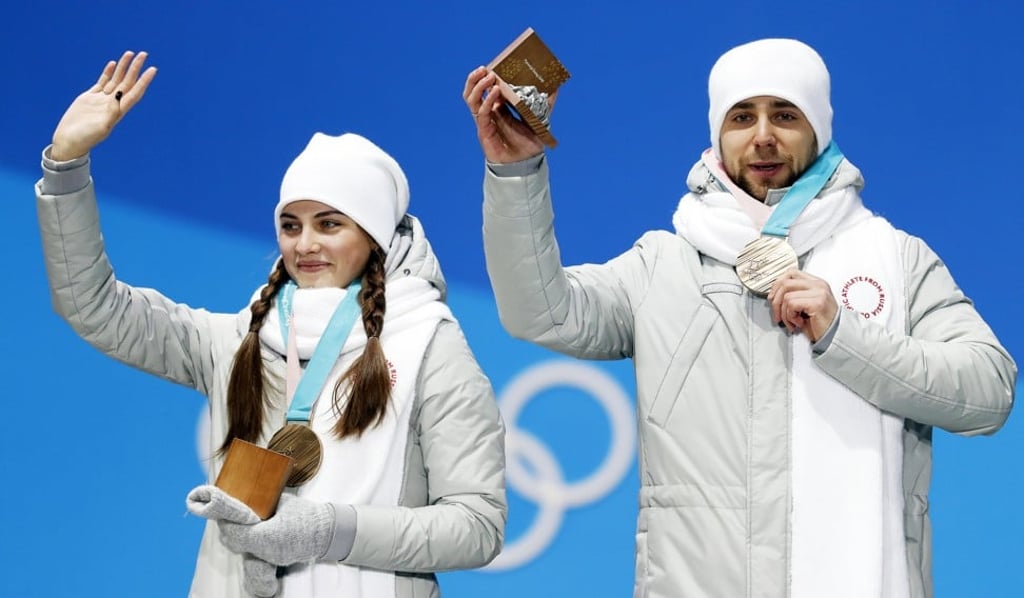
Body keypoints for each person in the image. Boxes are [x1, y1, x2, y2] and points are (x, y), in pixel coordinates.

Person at [463, 38, 1016, 598]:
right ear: (717, 133)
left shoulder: (895, 259)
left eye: (785, 114)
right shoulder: (662, 265)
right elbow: (540, 313)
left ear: (818, 129)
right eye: (742, 116)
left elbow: (988, 391)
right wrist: (517, 174)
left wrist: (846, 336)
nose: (763, 135)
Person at [37, 50, 506, 598]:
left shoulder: (428, 342)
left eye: (329, 224)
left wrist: (330, 531)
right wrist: (66, 166)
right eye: (291, 224)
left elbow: (476, 526)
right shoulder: (239, 340)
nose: (305, 244)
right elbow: (94, 306)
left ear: (374, 235)